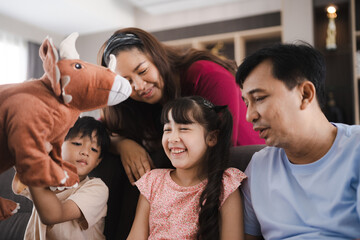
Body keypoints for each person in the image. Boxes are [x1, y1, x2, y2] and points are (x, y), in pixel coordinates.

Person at [98, 27, 264, 184]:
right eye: (126, 82)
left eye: (142, 71)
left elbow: (221, 146)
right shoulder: (132, 100)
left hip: (245, 166)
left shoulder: (206, 74)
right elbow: (94, 130)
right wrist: (121, 144)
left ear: (156, 57)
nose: (139, 86)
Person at [237, 43, 360, 239]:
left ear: (305, 94)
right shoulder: (259, 166)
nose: (249, 115)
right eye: (245, 103)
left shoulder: (356, 150)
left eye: (259, 98)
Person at [127, 96, 246, 240]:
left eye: (184, 129)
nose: (172, 138)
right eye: (168, 129)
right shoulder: (153, 181)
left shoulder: (225, 185)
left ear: (212, 138)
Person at [22, 116, 110, 240]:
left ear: (98, 162)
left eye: (94, 149)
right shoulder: (48, 179)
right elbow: (18, 186)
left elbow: (53, 215)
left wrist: (34, 165)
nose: (85, 152)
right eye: (77, 143)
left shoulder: (97, 188)